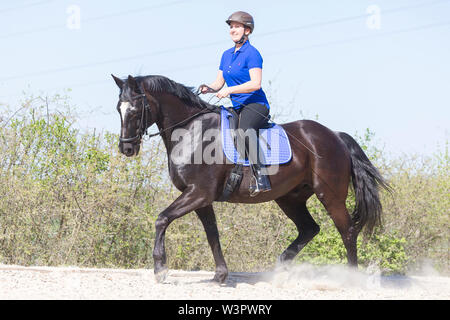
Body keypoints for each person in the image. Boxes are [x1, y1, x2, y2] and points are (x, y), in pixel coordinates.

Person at [199, 11, 271, 196]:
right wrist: (209, 88)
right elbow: (219, 83)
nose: (233, 30)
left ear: (247, 30)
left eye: (237, 26)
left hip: (255, 105)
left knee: (245, 130)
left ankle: (262, 178)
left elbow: (255, 83)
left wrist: (229, 91)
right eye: (231, 27)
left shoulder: (252, 54)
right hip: (237, 106)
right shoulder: (226, 55)